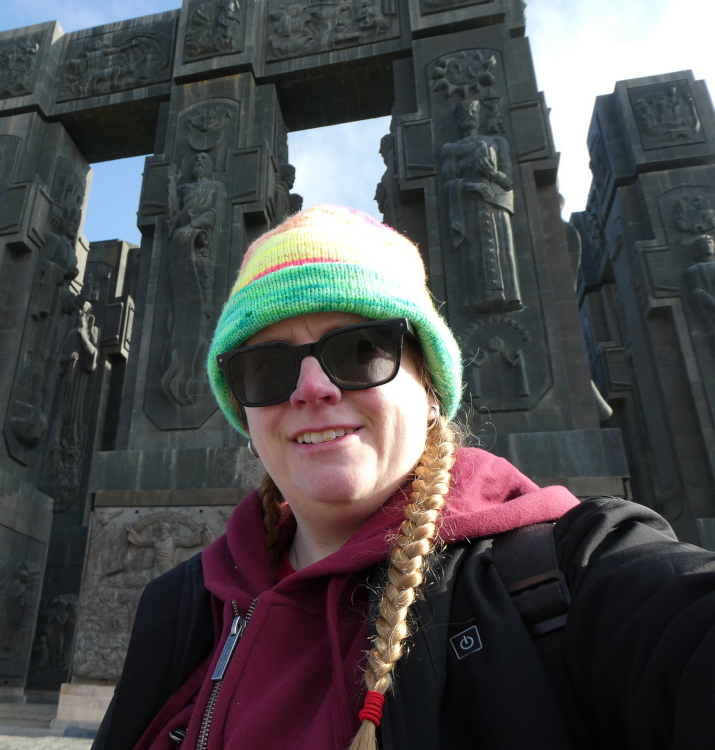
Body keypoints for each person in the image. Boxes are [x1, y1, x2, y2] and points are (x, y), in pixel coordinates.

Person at [92, 204, 715, 750]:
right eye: (265, 366)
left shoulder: (576, 572)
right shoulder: (181, 607)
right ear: (244, 411)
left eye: (362, 348)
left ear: (430, 386)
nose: (313, 388)